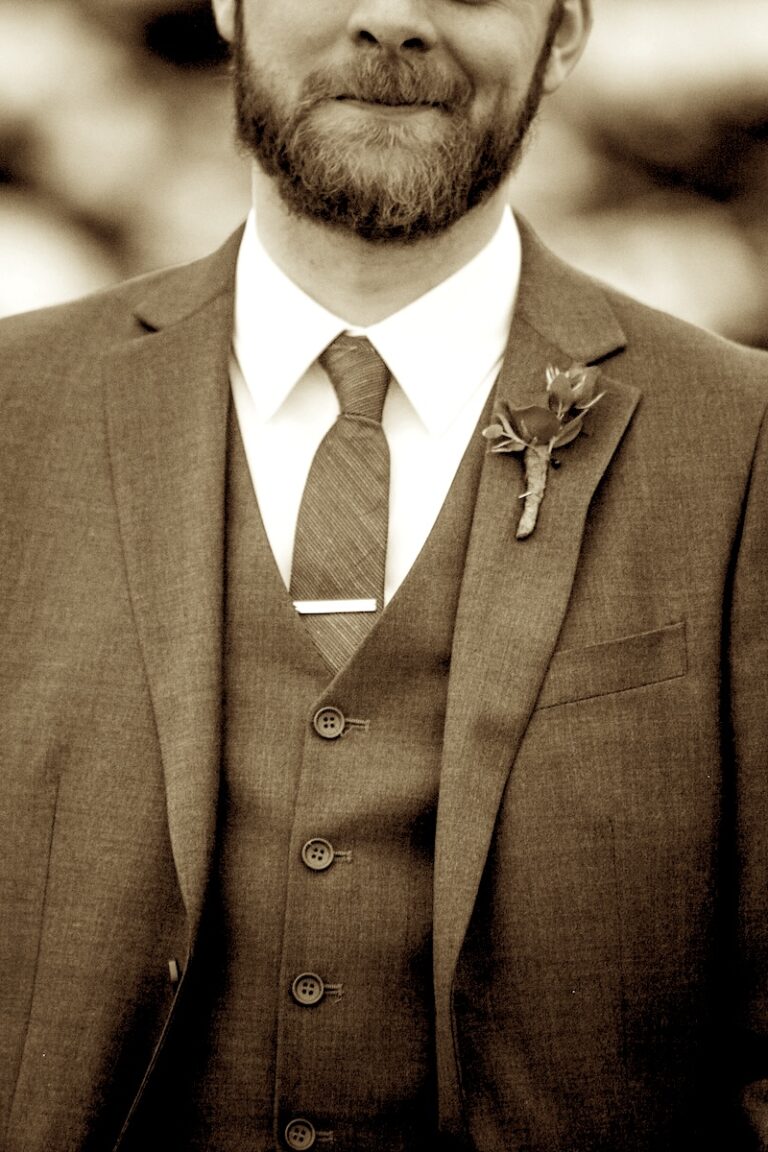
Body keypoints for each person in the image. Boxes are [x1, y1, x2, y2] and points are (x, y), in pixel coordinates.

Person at [1, 0, 768, 1148]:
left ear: (564, 33)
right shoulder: (13, 415)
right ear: (231, 7)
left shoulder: (746, 444)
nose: (394, 18)